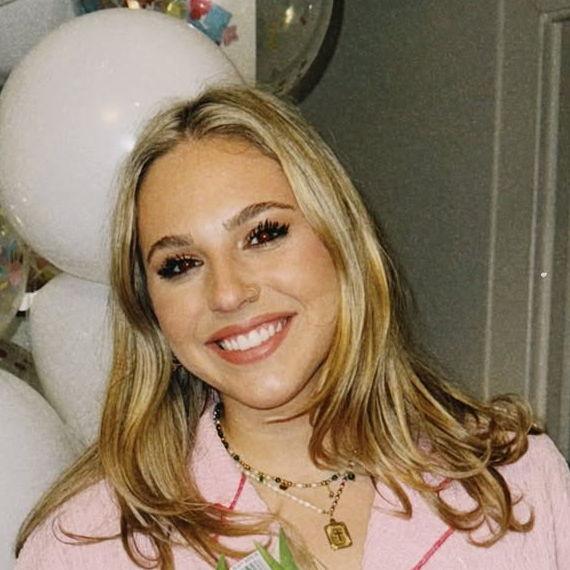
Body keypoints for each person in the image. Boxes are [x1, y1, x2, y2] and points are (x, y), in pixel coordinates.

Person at [14, 86, 570, 569]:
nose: (228, 292)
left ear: (340, 241)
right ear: (150, 309)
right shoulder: (85, 545)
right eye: (180, 265)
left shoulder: (515, 479)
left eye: (263, 234)